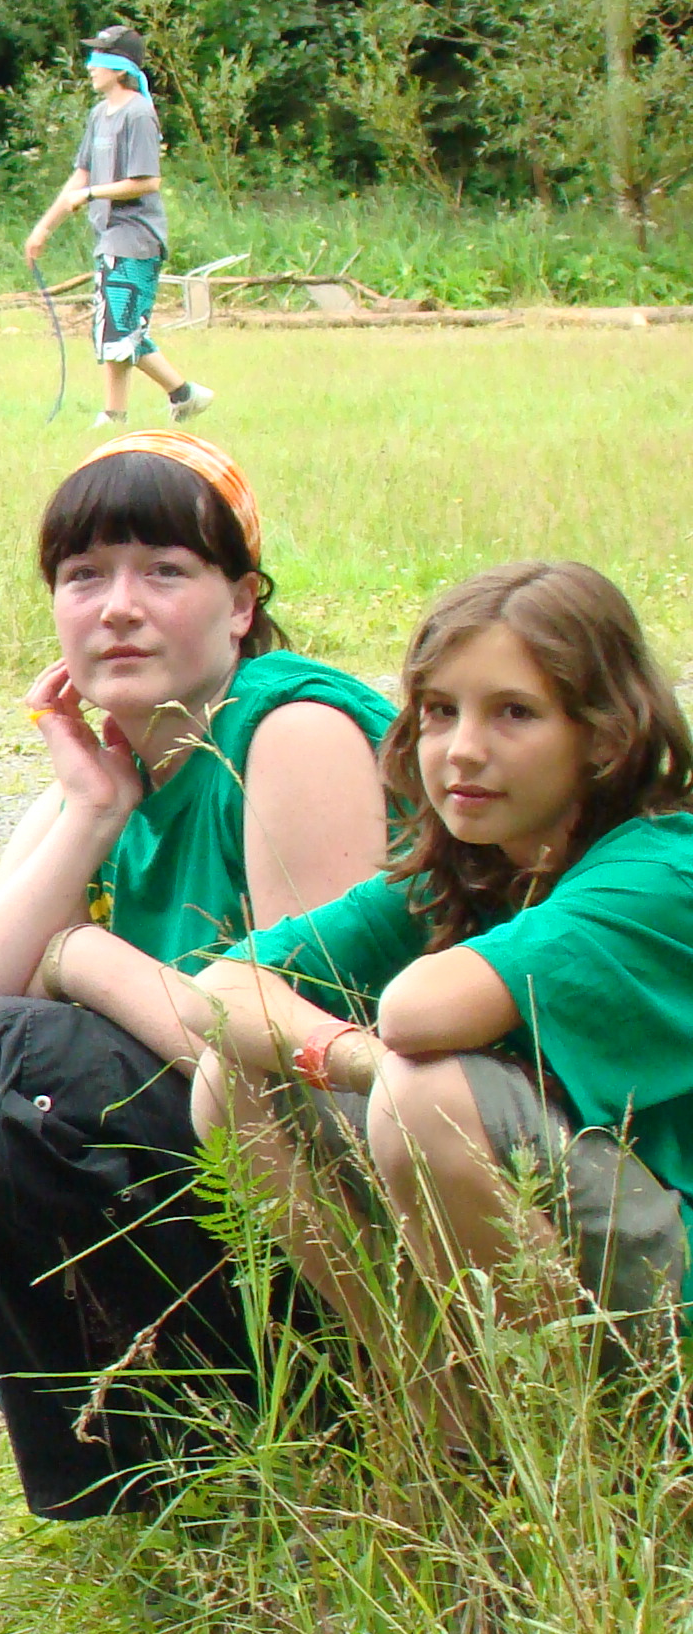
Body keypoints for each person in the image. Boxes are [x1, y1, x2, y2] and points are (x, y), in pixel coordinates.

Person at [0, 435, 392, 1517]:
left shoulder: (293, 731)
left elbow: (311, 1070)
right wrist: (93, 810)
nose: (120, 608)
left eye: (165, 571)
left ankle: (315, 1422)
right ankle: (142, 1471)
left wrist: (81, 955)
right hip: (229, 1177)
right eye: (85, 575)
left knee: (9, 1052)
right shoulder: (104, 776)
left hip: (348, 1214)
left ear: (241, 605)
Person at [191, 559, 693, 1352]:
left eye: (514, 713)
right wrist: (356, 1061)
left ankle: (573, 1418)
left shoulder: (663, 869)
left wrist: (387, 1071)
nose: (462, 750)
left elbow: (418, 1012)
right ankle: (434, 1399)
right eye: (439, 712)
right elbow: (219, 989)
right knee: (234, 1080)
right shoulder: (476, 867)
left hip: (673, 1264)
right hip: (580, 1251)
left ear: (603, 733)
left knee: (428, 1099)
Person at [22, 25, 211, 434]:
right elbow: (81, 175)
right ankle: (118, 414)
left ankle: (181, 393)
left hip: (136, 238)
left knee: (119, 330)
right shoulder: (99, 115)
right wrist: (44, 228)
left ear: (120, 67)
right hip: (109, 236)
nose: (90, 67)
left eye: (98, 59)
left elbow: (148, 181)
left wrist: (92, 194)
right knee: (114, 327)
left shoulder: (138, 114)